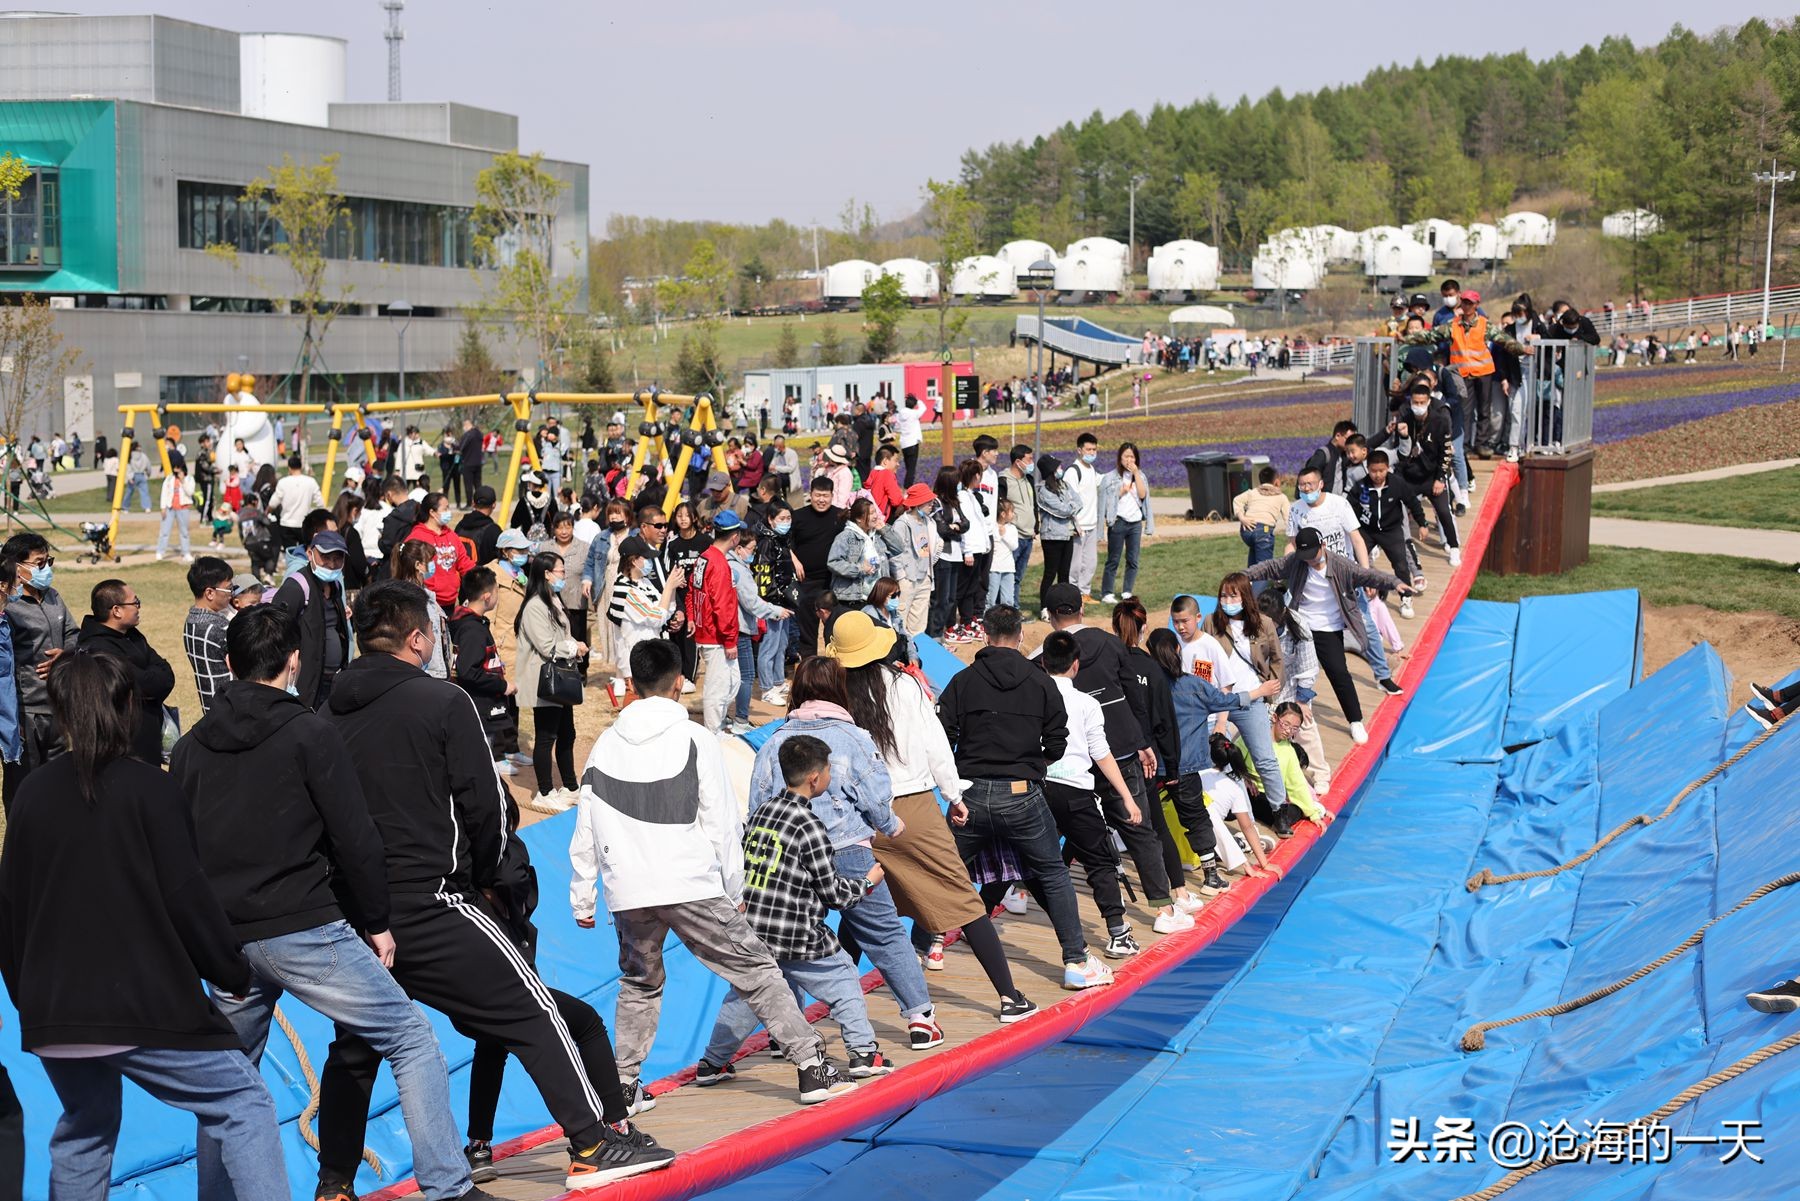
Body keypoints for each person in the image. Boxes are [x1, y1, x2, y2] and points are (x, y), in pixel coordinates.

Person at [319, 580, 670, 1192]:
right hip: (430, 897)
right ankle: (590, 1143)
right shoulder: (442, 702)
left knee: (356, 1049)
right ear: (419, 638)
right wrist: (482, 880)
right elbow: (485, 806)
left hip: (357, 909)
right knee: (533, 1011)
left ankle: (333, 1185)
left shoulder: (325, 714)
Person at [171, 605, 491, 1201]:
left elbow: (180, 852)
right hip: (304, 927)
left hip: (227, 939)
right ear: (294, 661)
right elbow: (354, 836)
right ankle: (448, 1186)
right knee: (412, 1037)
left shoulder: (191, 748)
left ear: (228, 664)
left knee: (226, 1079)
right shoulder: (308, 731)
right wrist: (376, 921)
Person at [0, 652, 288, 1197]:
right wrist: (229, 969)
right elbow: (188, 897)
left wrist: (29, 999)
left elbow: (11, 906)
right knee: (243, 1104)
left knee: (86, 1128)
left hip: (54, 1009)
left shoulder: (32, 794)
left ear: (59, 711)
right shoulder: (151, 790)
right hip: (141, 1003)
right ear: (128, 707)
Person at [571, 638, 852, 1106]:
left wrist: (583, 894)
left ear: (634, 685)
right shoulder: (696, 739)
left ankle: (623, 1085)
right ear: (681, 682)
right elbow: (722, 822)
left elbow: (586, 820)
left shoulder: (604, 744)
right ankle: (810, 1067)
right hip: (690, 883)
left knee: (640, 984)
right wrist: (735, 887)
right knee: (758, 971)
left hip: (628, 889)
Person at [834, 614, 1036, 1020]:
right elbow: (936, 745)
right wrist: (955, 795)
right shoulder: (905, 684)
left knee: (857, 912)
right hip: (912, 810)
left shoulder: (837, 695)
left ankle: (825, 1008)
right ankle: (1009, 996)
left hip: (858, 817)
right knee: (962, 898)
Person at [749, 657, 946, 1047]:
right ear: (840, 690)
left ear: (799, 691)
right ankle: (920, 1019)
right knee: (885, 935)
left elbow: (758, 805)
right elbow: (876, 795)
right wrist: (889, 825)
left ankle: (784, 1032)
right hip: (848, 850)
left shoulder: (774, 741)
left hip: (790, 856)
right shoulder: (854, 737)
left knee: (787, 942)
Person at [695, 733, 896, 1085]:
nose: (831, 775)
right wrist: (867, 882)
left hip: (755, 929)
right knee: (845, 979)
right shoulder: (810, 826)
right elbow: (833, 892)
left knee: (748, 995)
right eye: (830, 769)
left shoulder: (761, 813)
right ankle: (864, 1052)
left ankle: (712, 1063)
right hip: (798, 934)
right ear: (815, 778)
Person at [937, 605, 1112, 990]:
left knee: (947, 872)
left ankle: (928, 944)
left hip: (971, 794)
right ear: (1019, 636)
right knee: (1051, 872)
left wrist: (958, 778)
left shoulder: (962, 682)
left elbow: (942, 735)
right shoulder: (1040, 683)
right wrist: (1033, 765)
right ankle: (1076, 961)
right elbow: (1058, 739)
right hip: (1022, 793)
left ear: (984, 634)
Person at [1040, 584, 1194, 936]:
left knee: (1050, 832)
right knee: (1140, 831)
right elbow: (1131, 696)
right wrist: (1142, 742)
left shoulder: (1040, 656)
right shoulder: (1109, 643)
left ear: (1049, 617)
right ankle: (1163, 908)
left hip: (1069, 762)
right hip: (1120, 749)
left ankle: (1017, 892)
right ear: (1082, 608)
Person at [1246, 527, 1413, 745]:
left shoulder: (1341, 566)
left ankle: (1355, 720)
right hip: (1299, 622)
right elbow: (1270, 567)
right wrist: (1244, 575)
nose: (1309, 562)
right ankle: (1281, 717)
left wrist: (1394, 583)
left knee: (1338, 672)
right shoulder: (1297, 561)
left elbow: (1369, 575)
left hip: (1328, 627)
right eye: (1304, 557)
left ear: (1323, 547)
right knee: (1285, 666)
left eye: (1312, 556)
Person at [1288, 464, 1403, 698]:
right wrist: (1288, 567)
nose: (1305, 489)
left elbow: (1357, 540)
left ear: (1321, 484)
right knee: (1298, 627)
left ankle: (1382, 676)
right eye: (1301, 485)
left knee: (1367, 626)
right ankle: (1297, 682)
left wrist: (1367, 575)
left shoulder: (1339, 504)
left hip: (1344, 578)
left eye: (1309, 484)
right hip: (1312, 580)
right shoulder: (1296, 509)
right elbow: (1291, 542)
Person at [516, 550, 586, 813]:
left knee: (567, 733)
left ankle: (569, 786)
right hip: (544, 680)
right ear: (546, 574)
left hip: (560, 678)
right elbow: (546, 646)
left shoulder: (552, 599)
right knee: (546, 737)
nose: (563, 576)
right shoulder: (535, 606)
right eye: (560, 571)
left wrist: (571, 645)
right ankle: (543, 791)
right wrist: (574, 646)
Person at [77, 578, 174, 765]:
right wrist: (150, 675)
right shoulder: (97, 647)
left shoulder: (132, 635)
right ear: (117, 610)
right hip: (123, 747)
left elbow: (166, 674)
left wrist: (151, 677)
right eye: (135, 602)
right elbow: (146, 684)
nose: (138, 607)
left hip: (148, 739)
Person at [449, 567, 520, 775]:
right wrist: (502, 685)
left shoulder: (472, 623)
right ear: (487, 596)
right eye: (497, 591)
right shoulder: (472, 630)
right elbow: (468, 671)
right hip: (479, 705)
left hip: (477, 703)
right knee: (480, 764)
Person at [272, 530, 352, 710]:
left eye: (338, 558)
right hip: (306, 685)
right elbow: (275, 629)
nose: (331, 564)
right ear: (310, 554)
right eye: (325, 557)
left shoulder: (335, 585)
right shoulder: (297, 586)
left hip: (332, 680)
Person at [687, 509, 745, 733]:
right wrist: (730, 640)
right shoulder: (719, 564)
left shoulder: (705, 557)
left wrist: (692, 617)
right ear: (735, 537)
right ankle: (713, 733)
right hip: (717, 637)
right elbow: (723, 606)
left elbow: (693, 589)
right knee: (717, 689)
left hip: (709, 632)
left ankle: (718, 724)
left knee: (732, 682)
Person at [730, 528, 790, 732]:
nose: (754, 554)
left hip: (737, 626)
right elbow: (750, 602)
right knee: (746, 675)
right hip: (740, 628)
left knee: (732, 675)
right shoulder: (737, 569)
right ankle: (740, 719)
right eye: (752, 549)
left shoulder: (732, 565)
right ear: (739, 549)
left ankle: (732, 717)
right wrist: (775, 611)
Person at [751, 501, 801, 702]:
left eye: (788, 518)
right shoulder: (766, 542)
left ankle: (778, 681)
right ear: (771, 520)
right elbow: (763, 578)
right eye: (782, 519)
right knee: (769, 646)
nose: (786, 522)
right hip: (773, 604)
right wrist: (773, 605)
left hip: (784, 601)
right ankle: (766, 688)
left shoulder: (782, 539)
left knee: (782, 644)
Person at [789, 478, 844, 658]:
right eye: (817, 495)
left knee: (835, 628)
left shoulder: (840, 516)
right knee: (807, 631)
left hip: (831, 583)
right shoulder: (798, 517)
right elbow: (785, 543)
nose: (821, 500)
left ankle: (833, 669)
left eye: (825, 496)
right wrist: (795, 560)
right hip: (806, 582)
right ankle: (809, 669)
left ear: (832, 496)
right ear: (810, 495)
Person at [1098, 442, 1152, 603]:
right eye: (1126, 456)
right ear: (1120, 458)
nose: (1129, 459)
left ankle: (1127, 591)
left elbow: (1143, 495)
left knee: (1133, 559)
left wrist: (1136, 473)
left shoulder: (1140, 476)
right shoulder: (1111, 477)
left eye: (1132, 456)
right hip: (1118, 521)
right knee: (1113, 558)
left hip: (1135, 523)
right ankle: (1107, 592)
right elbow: (1105, 502)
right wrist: (1119, 492)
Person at [407, 490, 477, 612]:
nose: (449, 512)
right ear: (432, 512)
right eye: (445, 509)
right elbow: (410, 572)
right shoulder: (417, 537)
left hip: (450, 601)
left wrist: (480, 576)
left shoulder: (451, 535)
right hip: (427, 602)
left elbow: (463, 562)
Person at [391, 541, 453, 679]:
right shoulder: (410, 599)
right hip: (426, 674)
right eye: (430, 561)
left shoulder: (425, 595)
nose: (434, 565)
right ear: (418, 565)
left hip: (437, 673)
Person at [182, 556, 235, 713]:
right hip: (230, 708)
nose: (232, 594)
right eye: (229, 588)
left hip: (210, 707)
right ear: (210, 593)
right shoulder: (220, 628)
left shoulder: (191, 621)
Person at [887, 484, 937, 639]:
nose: (931, 504)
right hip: (908, 580)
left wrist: (929, 574)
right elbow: (894, 552)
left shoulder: (928, 522)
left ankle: (916, 657)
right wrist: (901, 577)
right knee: (900, 620)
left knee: (919, 623)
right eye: (928, 501)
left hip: (924, 579)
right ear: (918, 503)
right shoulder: (902, 524)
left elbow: (932, 547)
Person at [1034, 455, 1078, 618]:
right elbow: (1062, 510)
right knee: (1050, 573)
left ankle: (1063, 606)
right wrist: (1071, 506)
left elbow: (1078, 501)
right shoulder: (1044, 491)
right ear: (1051, 471)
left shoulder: (1064, 485)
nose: (1061, 469)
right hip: (1052, 537)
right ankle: (1044, 607)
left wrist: (1071, 506)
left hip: (1067, 534)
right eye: (1057, 467)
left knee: (1064, 573)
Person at [827, 497, 888, 608]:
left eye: (875, 512)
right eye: (871, 513)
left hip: (876, 598)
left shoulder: (877, 535)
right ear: (859, 519)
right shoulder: (845, 537)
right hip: (853, 599)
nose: (875, 516)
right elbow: (833, 562)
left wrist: (885, 529)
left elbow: (898, 548)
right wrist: (860, 569)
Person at [1066, 433, 1102, 597]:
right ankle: (1073, 592)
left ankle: (1085, 592)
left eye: (1094, 449)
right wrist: (1075, 524)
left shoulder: (1091, 469)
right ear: (1079, 450)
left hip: (1091, 524)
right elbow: (1068, 500)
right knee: (1075, 564)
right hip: (1078, 526)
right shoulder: (1073, 472)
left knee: (1090, 562)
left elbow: (1101, 482)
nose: (1092, 453)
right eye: (1088, 449)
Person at [1233, 466, 1289, 566]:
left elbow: (1237, 500)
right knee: (1264, 569)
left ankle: (1249, 579)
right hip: (1264, 531)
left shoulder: (1253, 492)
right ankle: (1260, 581)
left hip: (1246, 530)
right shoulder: (1281, 497)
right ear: (1277, 482)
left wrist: (1242, 518)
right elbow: (1289, 518)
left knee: (1254, 558)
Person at [269, 454, 325, 550]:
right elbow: (320, 503)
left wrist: (267, 511)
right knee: (306, 552)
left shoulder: (283, 482)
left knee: (291, 554)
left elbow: (273, 503)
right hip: (304, 522)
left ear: (289, 468)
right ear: (301, 466)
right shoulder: (311, 481)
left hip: (287, 523)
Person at [1000, 444, 1037, 585]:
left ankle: (1014, 605)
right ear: (1017, 461)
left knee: (1018, 577)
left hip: (1028, 535)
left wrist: (1035, 527)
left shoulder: (1029, 480)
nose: (1032, 463)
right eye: (1029, 459)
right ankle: (1004, 605)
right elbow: (1001, 507)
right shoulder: (1004, 480)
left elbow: (1033, 505)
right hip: (1014, 535)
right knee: (1008, 576)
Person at [155, 461, 196, 563]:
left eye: (179, 468)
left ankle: (186, 553)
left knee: (184, 532)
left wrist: (183, 481)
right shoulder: (169, 479)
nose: (176, 471)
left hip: (183, 508)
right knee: (164, 531)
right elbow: (164, 493)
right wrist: (163, 507)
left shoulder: (189, 479)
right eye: (175, 468)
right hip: (170, 508)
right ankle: (160, 551)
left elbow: (190, 492)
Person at [866, 444, 905, 518]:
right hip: (883, 518)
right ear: (885, 461)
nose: (898, 464)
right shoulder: (887, 474)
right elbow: (897, 501)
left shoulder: (873, 473)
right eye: (896, 460)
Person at [892, 395, 923, 487]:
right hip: (913, 442)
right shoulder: (914, 413)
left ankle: (907, 485)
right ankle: (908, 486)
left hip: (904, 443)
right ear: (914, 404)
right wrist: (918, 401)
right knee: (912, 468)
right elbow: (923, 408)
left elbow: (897, 426)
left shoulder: (900, 413)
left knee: (908, 467)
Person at [457, 417, 485, 501]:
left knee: (468, 485)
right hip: (478, 462)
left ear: (467, 425)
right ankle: (480, 501)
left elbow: (461, 447)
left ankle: (469, 503)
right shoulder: (479, 433)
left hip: (468, 462)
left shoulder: (467, 435)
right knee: (478, 484)